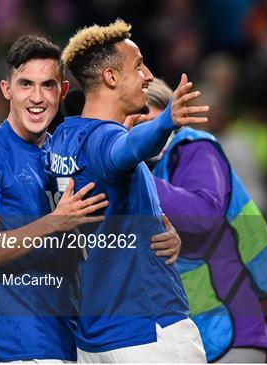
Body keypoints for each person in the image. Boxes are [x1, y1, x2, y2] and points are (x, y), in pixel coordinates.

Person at [0, 35, 180, 363]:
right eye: (25, 84)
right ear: (7, 90)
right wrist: (55, 222)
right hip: (20, 344)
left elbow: (106, 218)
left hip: (82, 339)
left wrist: (159, 233)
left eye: (47, 86)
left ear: (61, 91)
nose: (37, 97)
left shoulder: (66, 149)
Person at [47, 19, 209, 362]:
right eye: (138, 65)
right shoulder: (108, 143)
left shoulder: (62, 140)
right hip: (149, 334)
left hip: (93, 338)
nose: (148, 75)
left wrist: (153, 227)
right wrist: (166, 121)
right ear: (111, 77)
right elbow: (126, 151)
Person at [133, 78, 267, 362]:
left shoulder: (196, 148)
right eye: (134, 123)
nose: (143, 131)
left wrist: (139, 180)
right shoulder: (149, 167)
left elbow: (204, 215)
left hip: (231, 330)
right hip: (190, 335)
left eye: (148, 119)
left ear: (167, 116)